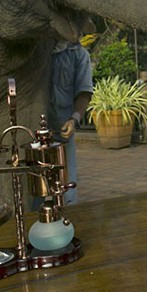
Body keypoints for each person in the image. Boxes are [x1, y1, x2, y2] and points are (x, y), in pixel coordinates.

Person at [47, 40, 93, 206]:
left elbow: (84, 92)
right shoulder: (37, 53)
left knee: (66, 190)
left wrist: (74, 119)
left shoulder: (79, 55)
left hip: (62, 132)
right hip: (34, 134)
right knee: (35, 192)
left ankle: (67, 226)